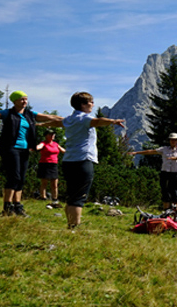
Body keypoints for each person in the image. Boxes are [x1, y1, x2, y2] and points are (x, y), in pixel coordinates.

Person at [44, 92, 125, 229]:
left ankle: (70, 225)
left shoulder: (69, 119)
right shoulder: (84, 119)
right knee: (79, 197)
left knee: (71, 195)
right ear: (83, 104)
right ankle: (74, 227)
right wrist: (112, 121)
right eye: (90, 102)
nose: (93, 104)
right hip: (83, 160)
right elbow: (97, 121)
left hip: (68, 160)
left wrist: (43, 124)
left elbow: (58, 123)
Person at [126, 133, 177, 211]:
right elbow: (151, 151)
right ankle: (166, 210)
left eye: (175, 140)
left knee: (175, 191)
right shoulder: (164, 149)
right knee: (165, 190)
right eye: (171, 140)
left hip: (176, 173)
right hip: (165, 172)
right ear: (169, 140)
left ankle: (174, 211)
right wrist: (137, 153)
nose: (173, 141)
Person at [35, 130, 66, 207]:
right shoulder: (43, 143)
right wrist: (33, 147)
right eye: (50, 134)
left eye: (53, 134)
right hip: (44, 164)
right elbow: (39, 147)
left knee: (54, 182)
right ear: (46, 135)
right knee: (44, 182)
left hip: (54, 164)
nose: (52, 136)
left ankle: (55, 198)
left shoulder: (56, 144)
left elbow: (63, 151)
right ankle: (43, 197)